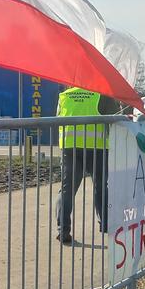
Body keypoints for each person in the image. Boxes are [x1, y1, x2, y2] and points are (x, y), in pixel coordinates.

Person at [55, 87, 119, 243]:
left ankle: (62, 229)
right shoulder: (101, 95)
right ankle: (105, 224)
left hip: (70, 147)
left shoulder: (65, 95)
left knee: (67, 189)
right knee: (100, 186)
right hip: (96, 147)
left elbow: (57, 117)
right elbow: (115, 117)